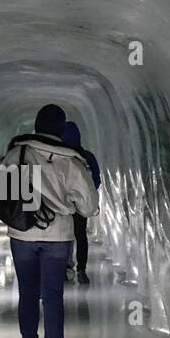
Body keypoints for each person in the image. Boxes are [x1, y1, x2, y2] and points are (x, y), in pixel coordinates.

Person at [0, 104, 99, 338]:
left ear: (37, 125)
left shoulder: (17, 153)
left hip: (22, 233)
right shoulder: (73, 162)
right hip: (58, 236)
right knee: (53, 295)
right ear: (60, 129)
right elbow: (89, 207)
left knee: (27, 294)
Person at [60, 120, 100, 285]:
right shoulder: (87, 156)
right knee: (81, 236)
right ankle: (81, 270)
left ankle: (65, 268)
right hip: (81, 204)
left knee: (64, 236)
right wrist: (88, 196)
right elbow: (96, 179)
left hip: (63, 204)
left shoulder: (59, 156)